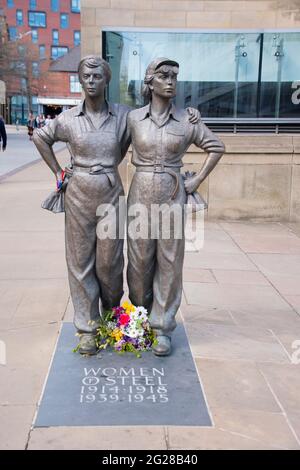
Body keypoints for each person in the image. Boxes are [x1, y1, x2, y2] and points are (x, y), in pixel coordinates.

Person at [33, 55, 200, 355]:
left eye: (98, 76)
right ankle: (88, 328)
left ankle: (113, 317)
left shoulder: (126, 116)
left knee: (110, 264)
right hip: (78, 193)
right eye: (87, 76)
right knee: (79, 263)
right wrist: (59, 172)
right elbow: (42, 139)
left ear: (107, 80)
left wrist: (190, 115)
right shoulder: (69, 118)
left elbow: (152, 121)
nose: (92, 81)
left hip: (111, 194)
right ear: (81, 80)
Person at [126, 58, 225, 356]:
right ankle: (140, 317)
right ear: (149, 81)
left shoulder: (187, 120)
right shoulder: (133, 118)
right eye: (164, 75)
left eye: (174, 76)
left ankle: (162, 326)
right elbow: (109, 147)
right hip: (140, 194)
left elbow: (216, 146)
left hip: (172, 195)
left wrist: (196, 182)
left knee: (169, 261)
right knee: (139, 262)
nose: (170, 81)